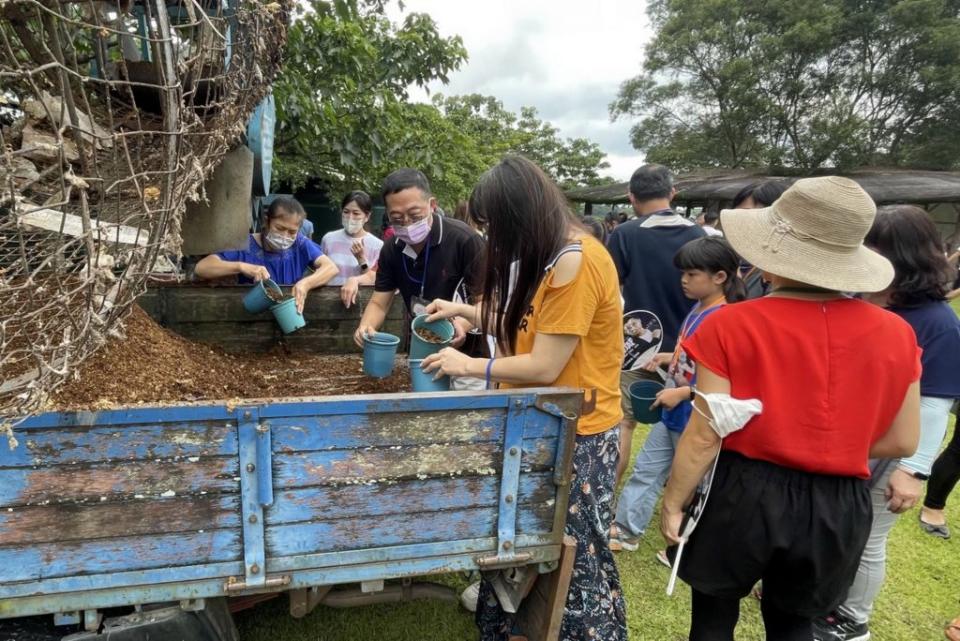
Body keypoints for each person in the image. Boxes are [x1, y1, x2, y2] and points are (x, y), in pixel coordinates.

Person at [661, 176, 920, 641]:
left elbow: (706, 433)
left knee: (713, 620)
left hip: (743, 490)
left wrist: (673, 503)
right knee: (794, 625)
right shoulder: (898, 333)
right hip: (838, 502)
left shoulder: (731, 325)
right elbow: (904, 440)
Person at [421, 156, 626, 641]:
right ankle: (513, 626)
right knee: (523, 540)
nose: (492, 238)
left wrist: (468, 364)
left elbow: (544, 366)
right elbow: (525, 327)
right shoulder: (553, 258)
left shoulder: (577, 261)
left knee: (572, 551)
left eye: (495, 226)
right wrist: (464, 308)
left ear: (520, 218)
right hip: (539, 423)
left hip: (577, 432)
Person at [810, 205, 960, 641]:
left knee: (868, 536)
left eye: (874, 248)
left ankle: (852, 619)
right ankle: (820, 595)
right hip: (841, 441)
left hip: (890, 450)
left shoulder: (937, 324)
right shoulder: (856, 300)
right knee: (832, 524)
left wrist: (913, 470)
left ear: (904, 257)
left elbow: (933, 404)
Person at [611, 237, 744, 554]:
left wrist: (684, 392)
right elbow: (695, 357)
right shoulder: (699, 308)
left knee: (695, 483)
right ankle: (627, 529)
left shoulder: (726, 318)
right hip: (671, 412)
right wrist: (670, 356)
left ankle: (687, 545)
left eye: (692, 274)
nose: (683, 280)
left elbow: (732, 380)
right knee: (647, 469)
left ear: (720, 277)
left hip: (695, 419)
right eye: (683, 273)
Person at [606, 164, 705, 483]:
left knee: (623, 423)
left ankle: (607, 500)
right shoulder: (697, 235)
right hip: (689, 349)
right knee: (687, 429)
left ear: (631, 197)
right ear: (672, 193)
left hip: (637, 347)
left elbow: (610, 292)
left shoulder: (624, 234)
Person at [353, 168, 487, 388]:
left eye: (414, 215)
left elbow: (487, 301)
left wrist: (462, 324)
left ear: (432, 205)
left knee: (463, 418)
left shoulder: (465, 241)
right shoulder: (391, 249)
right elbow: (379, 301)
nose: (406, 223)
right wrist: (366, 327)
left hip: (469, 358)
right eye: (397, 218)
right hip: (423, 353)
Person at [195, 197, 338, 313]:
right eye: (280, 228)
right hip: (250, 317)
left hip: (288, 312)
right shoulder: (245, 244)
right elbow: (202, 268)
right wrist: (241, 266)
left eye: (292, 232)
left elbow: (331, 268)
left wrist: (306, 284)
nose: (285, 235)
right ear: (267, 221)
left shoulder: (300, 244)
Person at [321, 191, 384, 307]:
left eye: (356, 213)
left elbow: (374, 280)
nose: (350, 217)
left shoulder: (377, 245)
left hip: (360, 303)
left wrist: (362, 260)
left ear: (367, 216)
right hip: (328, 301)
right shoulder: (329, 239)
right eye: (346, 212)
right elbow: (321, 271)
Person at [731, 180, 788, 299]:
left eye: (747, 215)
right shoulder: (747, 260)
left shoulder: (784, 272)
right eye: (736, 215)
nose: (739, 222)